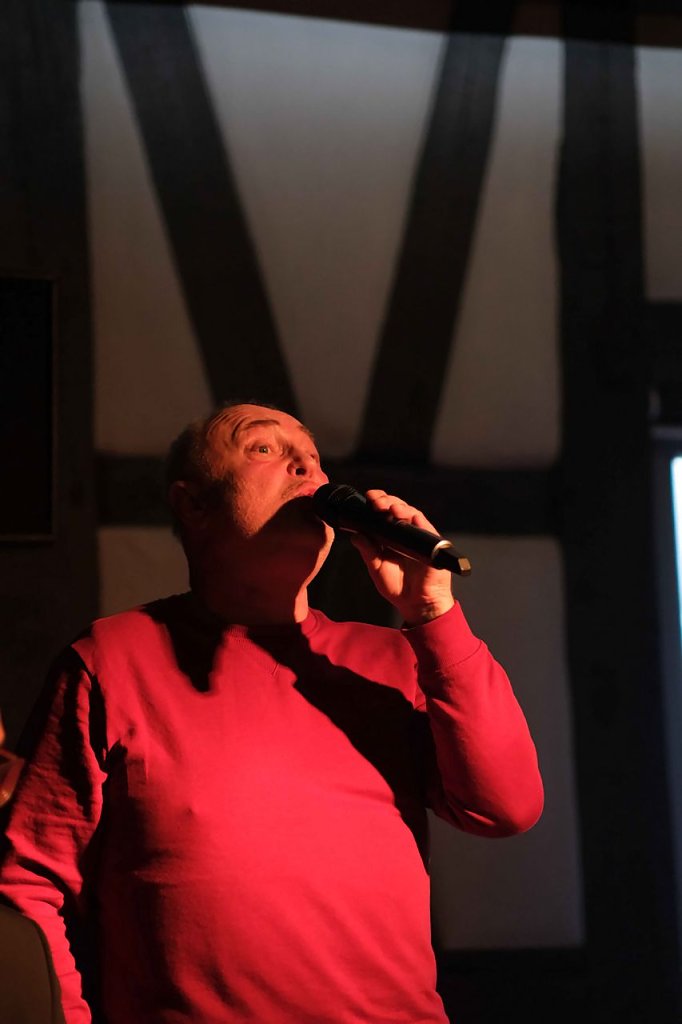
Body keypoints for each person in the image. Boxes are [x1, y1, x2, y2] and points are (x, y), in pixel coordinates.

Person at [0, 402, 543, 1024]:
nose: (305, 467)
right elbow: (29, 883)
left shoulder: (391, 659)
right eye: (263, 448)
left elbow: (506, 807)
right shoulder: (112, 660)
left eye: (312, 457)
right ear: (192, 504)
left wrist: (433, 613)